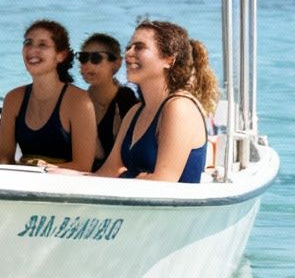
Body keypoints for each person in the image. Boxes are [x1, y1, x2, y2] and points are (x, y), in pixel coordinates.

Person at [92, 19, 215, 183]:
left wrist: (130, 177)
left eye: (140, 47)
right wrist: (51, 172)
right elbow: (106, 173)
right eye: (129, 47)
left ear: (169, 60)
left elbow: (163, 183)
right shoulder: (135, 112)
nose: (128, 53)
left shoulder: (179, 108)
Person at [0, 19, 96, 168]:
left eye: (42, 44)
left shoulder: (79, 101)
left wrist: (43, 168)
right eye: (28, 43)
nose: (32, 50)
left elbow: (83, 167)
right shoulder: (13, 99)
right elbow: (3, 160)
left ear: (61, 55)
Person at [76, 31, 141, 171]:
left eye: (96, 58)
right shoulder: (77, 101)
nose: (87, 64)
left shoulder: (126, 101)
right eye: (83, 58)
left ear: (116, 64)